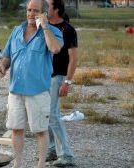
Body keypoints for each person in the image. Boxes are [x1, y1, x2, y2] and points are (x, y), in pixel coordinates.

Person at [0, 0, 63, 167]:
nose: (31, 14)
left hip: (38, 91)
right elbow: (8, 55)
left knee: (40, 131)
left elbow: (55, 49)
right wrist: (3, 65)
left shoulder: (53, 32)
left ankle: (40, 165)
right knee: (16, 129)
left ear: (44, 13)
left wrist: (45, 26)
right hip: (15, 90)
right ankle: (18, 164)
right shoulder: (17, 31)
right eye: (29, 10)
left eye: (36, 11)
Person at [46, 0, 77, 166]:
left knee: (53, 114)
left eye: (48, 6)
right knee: (45, 114)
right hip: (43, 77)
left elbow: (73, 58)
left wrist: (67, 82)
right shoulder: (43, 27)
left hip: (57, 77)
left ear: (56, 9)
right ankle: (51, 149)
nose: (44, 8)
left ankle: (67, 155)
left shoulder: (68, 29)